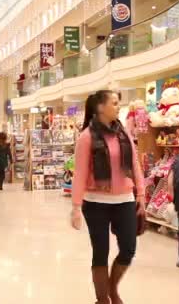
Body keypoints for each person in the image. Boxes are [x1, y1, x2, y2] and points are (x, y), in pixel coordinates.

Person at [71, 90, 145, 304]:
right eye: (114, 102)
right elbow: (80, 173)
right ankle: (102, 299)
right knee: (100, 252)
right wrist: (76, 207)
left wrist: (141, 193)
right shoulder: (86, 138)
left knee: (129, 249)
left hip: (125, 201)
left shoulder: (123, 133)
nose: (118, 106)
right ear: (101, 107)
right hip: (95, 204)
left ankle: (112, 288)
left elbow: (135, 164)